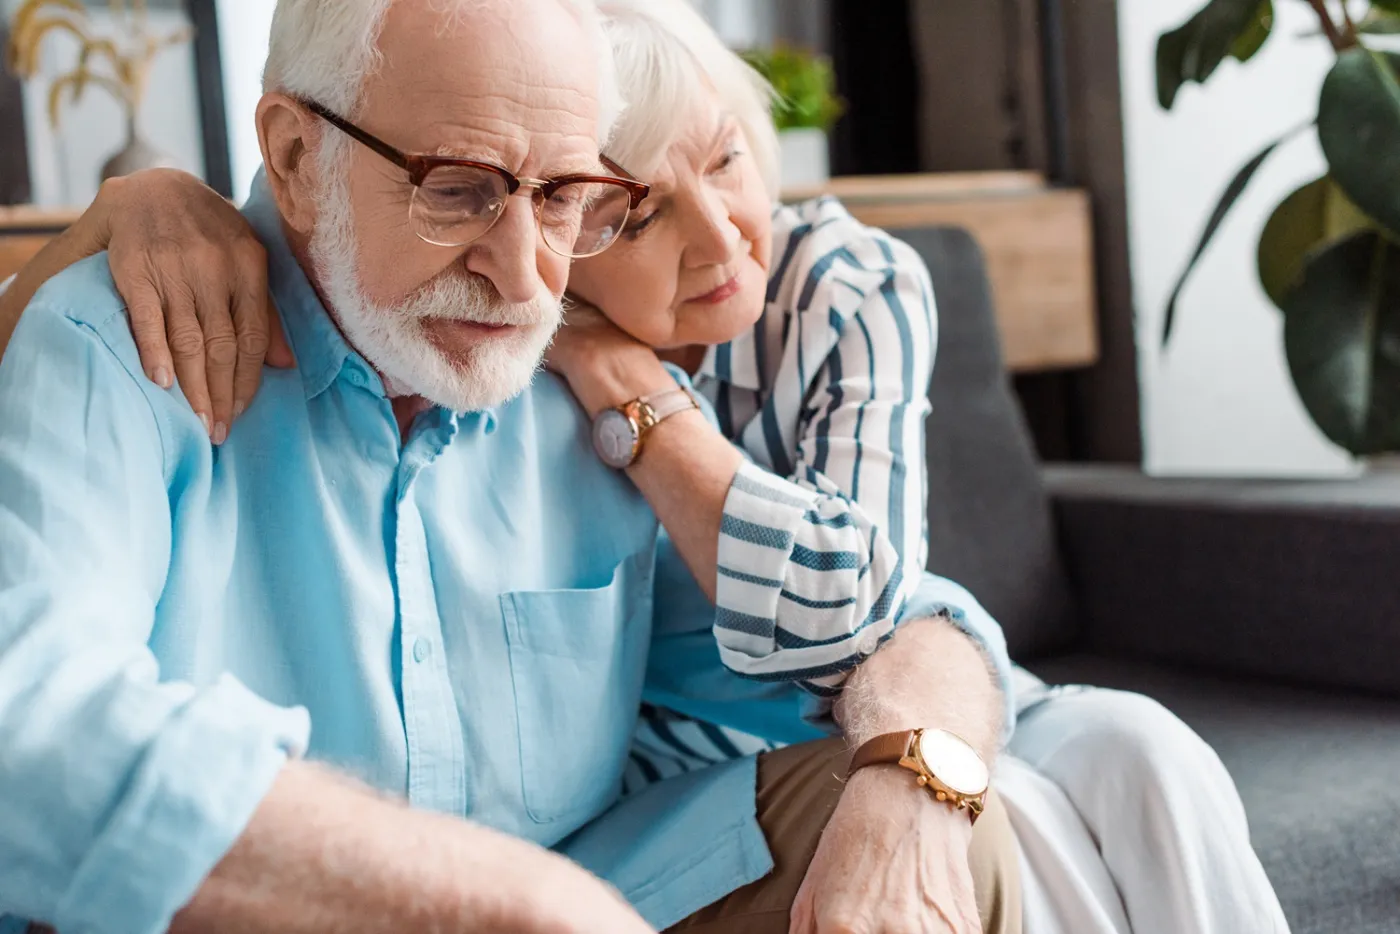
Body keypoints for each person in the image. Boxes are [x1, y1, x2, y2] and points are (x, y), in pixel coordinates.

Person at [0, 3, 1292, 934]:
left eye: (565, 198)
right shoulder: (128, 333)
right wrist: (508, 901)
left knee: (952, 811)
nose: (521, 274)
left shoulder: (561, 371)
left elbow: (893, 633)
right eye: (458, 189)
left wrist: (914, 786)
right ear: (291, 150)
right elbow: (24, 726)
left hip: (602, 876)